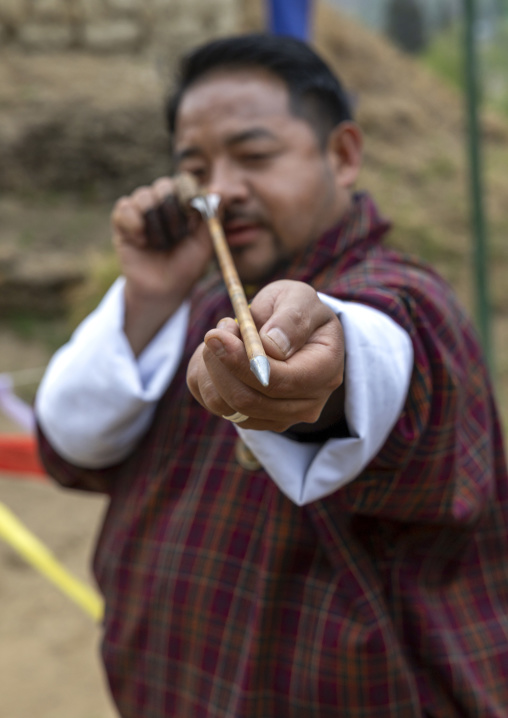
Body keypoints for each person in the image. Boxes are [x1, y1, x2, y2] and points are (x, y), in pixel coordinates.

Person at [35, 33, 508, 718]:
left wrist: (320, 372)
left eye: (255, 156)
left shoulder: (403, 298)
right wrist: (149, 297)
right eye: (195, 169)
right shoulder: (192, 311)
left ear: (342, 156)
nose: (220, 193)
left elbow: (383, 345)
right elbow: (74, 445)